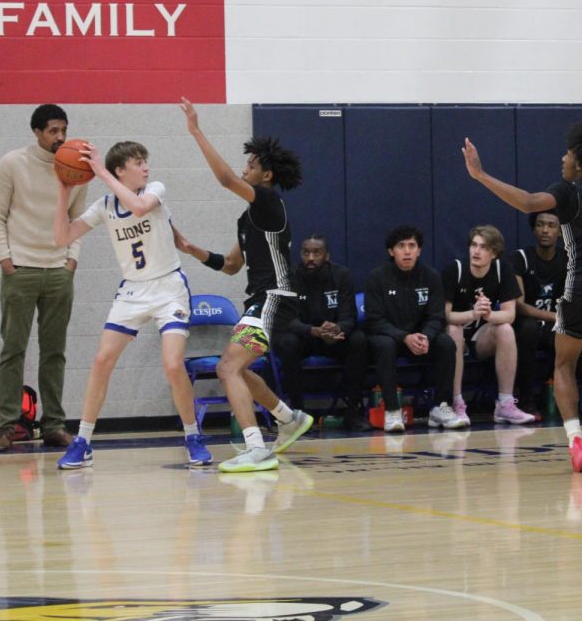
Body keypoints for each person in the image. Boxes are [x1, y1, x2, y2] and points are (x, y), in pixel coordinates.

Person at [463, 120, 582, 473]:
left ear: (579, 160)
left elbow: (529, 202)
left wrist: (481, 176)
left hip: (580, 286)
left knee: (564, 365)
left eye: (567, 152)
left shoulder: (568, 192)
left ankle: (577, 442)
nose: (562, 157)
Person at [52, 141, 210, 470]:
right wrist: (64, 190)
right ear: (121, 169)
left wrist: (100, 172)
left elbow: (139, 208)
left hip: (169, 288)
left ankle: (192, 435)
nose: (146, 167)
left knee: (171, 364)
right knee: (101, 360)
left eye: (145, 161)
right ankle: (83, 441)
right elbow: (62, 238)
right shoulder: (105, 205)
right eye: (138, 162)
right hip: (133, 291)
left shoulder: (155, 189)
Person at [175, 98, 313, 473]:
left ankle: (257, 448)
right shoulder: (249, 217)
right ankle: (289, 419)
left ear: (266, 175)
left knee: (227, 369)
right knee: (237, 368)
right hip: (264, 299)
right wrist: (192, 250)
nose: (243, 170)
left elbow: (224, 179)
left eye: (251, 165)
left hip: (276, 298)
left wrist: (196, 130)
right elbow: (233, 265)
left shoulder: (268, 201)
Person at [0, 103, 86, 452]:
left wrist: (71, 261)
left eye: (63, 130)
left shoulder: (76, 168)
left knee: (54, 352)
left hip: (59, 271)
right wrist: (6, 260)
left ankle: (54, 425)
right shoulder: (12, 163)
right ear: (37, 132)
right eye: (52, 131)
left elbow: (78, 220)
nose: (59, 137)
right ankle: (5, 426)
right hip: (21, 269)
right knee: (13, 350)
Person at [363, 225, 464, 433]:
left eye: (412, 245)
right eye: (401, 246)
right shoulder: (377, 278)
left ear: (419, 250)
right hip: (391, 338)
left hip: (420, 339)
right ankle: (392, 410)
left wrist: (425, 336)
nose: (407, 251)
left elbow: (436, 316)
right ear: (391, 251)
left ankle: (441, 407)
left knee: (446, 342)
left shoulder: (431, 277)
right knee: (384, 344)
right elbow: (374, 320)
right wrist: (404, 337)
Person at [443, 224, 535, 425]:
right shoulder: (455, 270)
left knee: (505, 329)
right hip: (455, 334)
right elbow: (445, 315)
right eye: (474, 245)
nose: (476, 251)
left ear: (494, 253)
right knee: (453, 330)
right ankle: (456, 404)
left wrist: (488, 314)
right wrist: (473, 313)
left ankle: (505, 404)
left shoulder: (503, 270)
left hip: (481, 337)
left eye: (483, 247)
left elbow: (509, 314)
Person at [275, 234, 369, 430]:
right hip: (305, 338)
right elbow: (287, 320)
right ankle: (298, 414)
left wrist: (337, 328)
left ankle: (353, 412)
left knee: (359, 340)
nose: (310, 258)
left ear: (326, 256)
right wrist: (312, 331)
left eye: (316, 253)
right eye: (306, 252)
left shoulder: (342, 275)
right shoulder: (289, 278)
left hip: (334, 338)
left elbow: (349, 316)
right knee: (287, 342)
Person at [511, 211, 566, 416]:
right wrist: (553, 316)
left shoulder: (568, 259)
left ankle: (557, 394)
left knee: (575, 331)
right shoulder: (521, 258)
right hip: (527, 325)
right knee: (528, 328)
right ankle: (526, 399)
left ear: (560, 232)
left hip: (556, 325)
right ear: (534, 229)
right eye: (540, 225)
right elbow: (519, 305)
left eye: (551, 225)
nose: (545, 230)